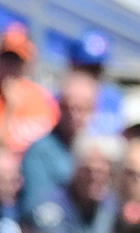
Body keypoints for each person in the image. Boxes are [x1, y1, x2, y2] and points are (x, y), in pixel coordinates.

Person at [19, 72, 96, 219]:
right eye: (68, 107)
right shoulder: (40, 151)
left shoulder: (95, 152)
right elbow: (34, 205)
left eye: (82, 108)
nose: (74, 114)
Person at [0, 22, 58, 157]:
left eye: (16, 60)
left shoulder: (43, 99)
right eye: (6, 58)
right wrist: (10, 109)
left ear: (27, 64)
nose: (9, 66)